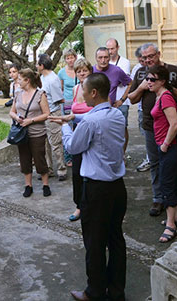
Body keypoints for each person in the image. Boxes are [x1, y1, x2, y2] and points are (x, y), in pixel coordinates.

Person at [55, 73, 127, 301]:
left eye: (84, 89)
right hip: (117, 187)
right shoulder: (116, 115)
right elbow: (95, 125)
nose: (81, 93)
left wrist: (66, 126)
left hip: (96, 191)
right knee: (115, 240)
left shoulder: (90, 122)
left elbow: (73, 146)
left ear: (94, 93)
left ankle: (94, 292)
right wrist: (76, 120)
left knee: (94, 243)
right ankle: (116, 291)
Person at [128, 43, 177, 217]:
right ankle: (159, 198)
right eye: (145, 57)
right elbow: (131, 99)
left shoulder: (172, 71)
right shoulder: (141, 73)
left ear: (159, 54)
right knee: (155, 164)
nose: (148, 60)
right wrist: (141, 87)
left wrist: (166, 86)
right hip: (149, 126)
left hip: (170, 126)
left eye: (151, 56)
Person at [146, 66, 177, 243]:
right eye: (147, 79)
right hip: (169, 147)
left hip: (171, 147)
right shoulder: (159, 96)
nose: (148, 82)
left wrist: (165, 145)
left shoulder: (166, 97)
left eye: (152, 79)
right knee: (174, 182)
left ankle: (171, 225)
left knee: (166, 185)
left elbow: (174, 124)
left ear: (162, 81)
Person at [53, 58, 94, 222]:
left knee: (90, 174)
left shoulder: (95, 90)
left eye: (85, 70)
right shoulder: (77, 89)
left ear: (90, 71)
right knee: (76, 173)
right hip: (77, 134)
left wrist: (73, 117)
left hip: (92, 136)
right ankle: (79, 206)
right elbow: (71, 112)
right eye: (79, 71)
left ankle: (91, 205)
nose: (82, 73)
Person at [9, 68, 51, 197]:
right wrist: (17, 118)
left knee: (39, 159)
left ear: (27, 80)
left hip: (37, 132)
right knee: (25, 159)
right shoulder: (18, 94)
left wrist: (31, 120)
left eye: (20, 79)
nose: (18, 81)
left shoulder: (40, 94)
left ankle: (45, 184)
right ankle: (28, 185)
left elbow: (46, 114)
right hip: (22, 133)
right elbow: (12, 111)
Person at [36, 54, 67, 181]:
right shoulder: (42, 78)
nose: (36, 66)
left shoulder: (53, 79)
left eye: (37, 64)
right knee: (45, 145)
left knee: (55, 143)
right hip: (43, 115)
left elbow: (58, 99)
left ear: (42, 66)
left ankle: (61, 169)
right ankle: (48, 169)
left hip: (53, 114)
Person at [106, 38, 132, 152]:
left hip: (121, 101)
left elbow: (123, 81)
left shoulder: (124, 62)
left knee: (122, 128)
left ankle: (122, 154)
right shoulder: (105, 62)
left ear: (117, 48)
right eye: (108, 49)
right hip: (107, 102)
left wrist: (122, 99)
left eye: (112, 48)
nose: (110, 51)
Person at [58, 48, 78, 167]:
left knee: (78, 129)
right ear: (65, 59)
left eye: (72, 57)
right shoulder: (61, 72)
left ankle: (77, 154)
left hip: (79, 102)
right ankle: (68, 157)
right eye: (68, 58)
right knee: (67, 129)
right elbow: (60, 88)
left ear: (75, 57)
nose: (70, 60)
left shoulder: (79, 70)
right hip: (67, 103)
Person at [132, 47, 151, 172]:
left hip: (158, 109)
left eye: (144, 58)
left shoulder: (157, 68)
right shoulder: (137, 70)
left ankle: (152, 159)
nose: (143, 61)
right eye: (140, 59)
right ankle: (150, 158)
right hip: (141, 109)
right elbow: (132, 92)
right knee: (146, 135)